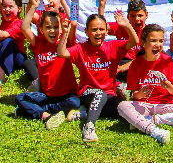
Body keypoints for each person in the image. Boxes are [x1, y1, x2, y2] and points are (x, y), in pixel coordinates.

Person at [57, 11, 139, 142]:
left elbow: (135, 41)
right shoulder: (81, 48)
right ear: (86, 31)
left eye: (102, 29)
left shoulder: (114, 46)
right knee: (100, 94)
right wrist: (65, 32)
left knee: (123, 108)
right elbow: (62, 53)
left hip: (109, 93)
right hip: (88, 92)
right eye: (94, 30)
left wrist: (127, 25)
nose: (98, 33)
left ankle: (84, 112)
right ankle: (89, 126)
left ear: (107, 31)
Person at [117, 24, 173, 145]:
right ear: (143, 43)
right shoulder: (136, 63)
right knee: (122, 106)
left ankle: (146, 121)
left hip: (165, 105)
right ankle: (154, 130)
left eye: (161, 41)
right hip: (144, 105)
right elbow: (135, 95)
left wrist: (168, 86)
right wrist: (140, 93)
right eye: (153, 41)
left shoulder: (168, 61)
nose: (158, 44)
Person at [13, 0, 81, 131]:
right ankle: (46, 115)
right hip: (47, 95)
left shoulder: (65, 43)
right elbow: (24, 27)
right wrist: (33, 7)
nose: (52, 30)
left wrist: (63, 2)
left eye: (56, 27)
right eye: (48, 27)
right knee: (20, 98)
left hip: (66, 94)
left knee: (75, 102)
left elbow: (73, 23)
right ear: (41, 29)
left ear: (61, 29)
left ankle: (36, 110)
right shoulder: (39, 44)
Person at [98, 0, 148, 85]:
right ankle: (118, 86)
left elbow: (146, 58)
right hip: (121, 62)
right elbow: (102, 27)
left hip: (138, 63)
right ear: (128, 17)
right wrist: (102, 6)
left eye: (140, 15)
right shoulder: (121, 27)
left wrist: (122, 68)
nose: (137, 19)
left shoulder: (149, 32)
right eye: (133, 16)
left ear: (146, 15)